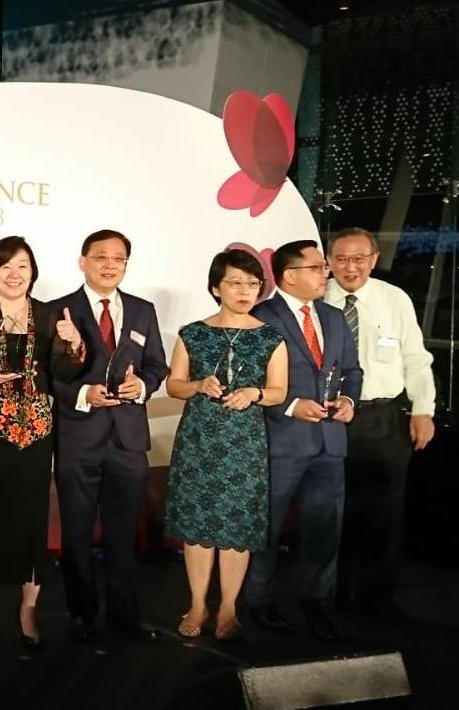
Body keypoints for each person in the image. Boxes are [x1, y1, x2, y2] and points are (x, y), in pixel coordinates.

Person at [0, 236, 86, 648]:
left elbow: (64, 374)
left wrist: (72, 343)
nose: (14, 275)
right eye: (6, 267)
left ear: (32, 272)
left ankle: (29, 607)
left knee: (31, 514)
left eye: (23, 267)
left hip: (35, 431)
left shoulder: (51, 316)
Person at [49, 229, 169, 644]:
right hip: (79, 437)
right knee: (77, 534)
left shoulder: (141, 310)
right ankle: (82, 614)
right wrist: (83, 393)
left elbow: (157, 365)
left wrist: (145, 387)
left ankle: (126, 615)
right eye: (101, 256)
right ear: (82, 260)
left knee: (122, 534)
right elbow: (47, 378)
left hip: (128, 439)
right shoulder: (56, 310)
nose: (109, 264)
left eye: (118, 258)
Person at [163, 250, 288, 641]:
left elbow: (279, 391)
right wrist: (199, 385)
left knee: (237, 527)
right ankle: (198, 604)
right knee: (199, 527)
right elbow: (173, 385)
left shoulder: (271, 337)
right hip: (200, 439)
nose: (245, 291)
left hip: (244, 443)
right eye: (235, 283)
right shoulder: (192, 333)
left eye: (253, 284)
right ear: (216, 287)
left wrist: (254, 393)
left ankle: (229, 609)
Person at [244, 239, 362, 641]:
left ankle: (318, 603)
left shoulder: (333, 317)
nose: (325, 274)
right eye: (317, 267)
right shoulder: (261, 317)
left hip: (330, 442)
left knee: (324, 529)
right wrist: (291, 406)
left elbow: (351, 370)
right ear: (290, 275)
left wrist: (348, 400)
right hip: (280, 442)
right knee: (267, 531)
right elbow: (249, 379)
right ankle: (258, 602)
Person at [325, 227, 436, 623]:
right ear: (329, 261)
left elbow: (416, 358)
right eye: (341, 259)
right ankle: (331, 595)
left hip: (383, 417)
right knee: (333, 510)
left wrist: (423, 409)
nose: (349, 267)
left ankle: (376, 598)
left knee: (384, 513)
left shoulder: (394, 299)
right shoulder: (316, 300)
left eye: (358, 259)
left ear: (373, 259)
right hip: (329, 416)